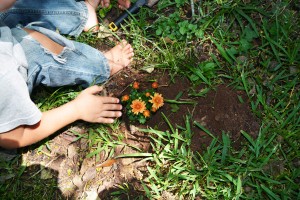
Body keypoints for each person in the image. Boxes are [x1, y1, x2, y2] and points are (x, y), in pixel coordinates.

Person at [0, 0, 133, 149]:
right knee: (34, 46)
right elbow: (14, 136)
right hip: (8, 62)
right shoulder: (3, 72)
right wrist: (76, 109)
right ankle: (102, 66)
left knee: (17, 8)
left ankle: (83, 13)